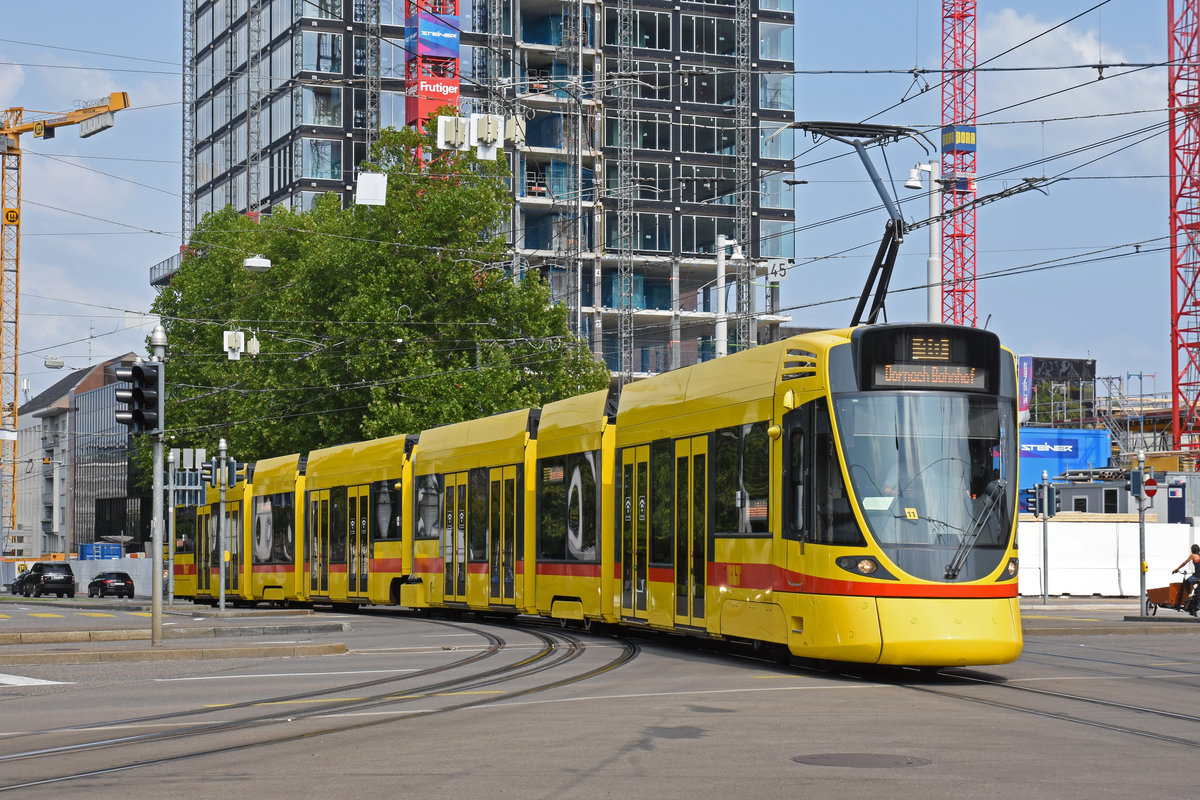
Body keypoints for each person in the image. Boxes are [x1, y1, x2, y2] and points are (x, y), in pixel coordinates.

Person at [1172, 544, 1200, 616]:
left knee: (1186, 582)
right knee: (1197, 592)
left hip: (1197, 576)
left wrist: (1177, 569)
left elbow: (1184, 563)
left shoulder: (1193, 555)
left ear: (1192, 550)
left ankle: (1190, 595)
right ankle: (1193, 605)